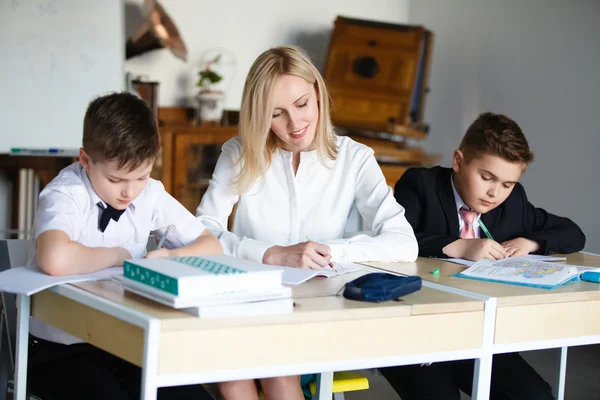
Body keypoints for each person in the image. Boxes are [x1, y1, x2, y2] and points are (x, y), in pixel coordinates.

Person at [197, 45, 418, 400]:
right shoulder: (239, 152)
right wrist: (271, 254)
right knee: (233, 379)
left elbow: (404, 242)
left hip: (317, 309)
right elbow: (203, 230)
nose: (295, 124)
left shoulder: (355, 158)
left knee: (279, 375)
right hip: (248, 302)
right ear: (259, 115)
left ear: (318, 93)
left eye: (302, 105)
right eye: (276, 114)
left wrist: (329, 251)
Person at [30, 91, 222, 400]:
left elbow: (211, 245)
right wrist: (118, 256)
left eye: (142, 176)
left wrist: (171, 254)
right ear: (85, 160)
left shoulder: (149, 193)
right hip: (60, 349)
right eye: (117, 179)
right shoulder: (65, 193)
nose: (129, 192)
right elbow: (54, 258)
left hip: (124, 342)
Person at [383, 111, 586, 400]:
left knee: (536, 394)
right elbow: (391, 240)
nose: (494, 193)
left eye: (507, 184)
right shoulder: (420, 184)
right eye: (487, 177)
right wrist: (457, 246)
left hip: (475, 334)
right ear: (458, 161)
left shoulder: (514, 202)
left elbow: (572, 232)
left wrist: (530, 242)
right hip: (415, 333)